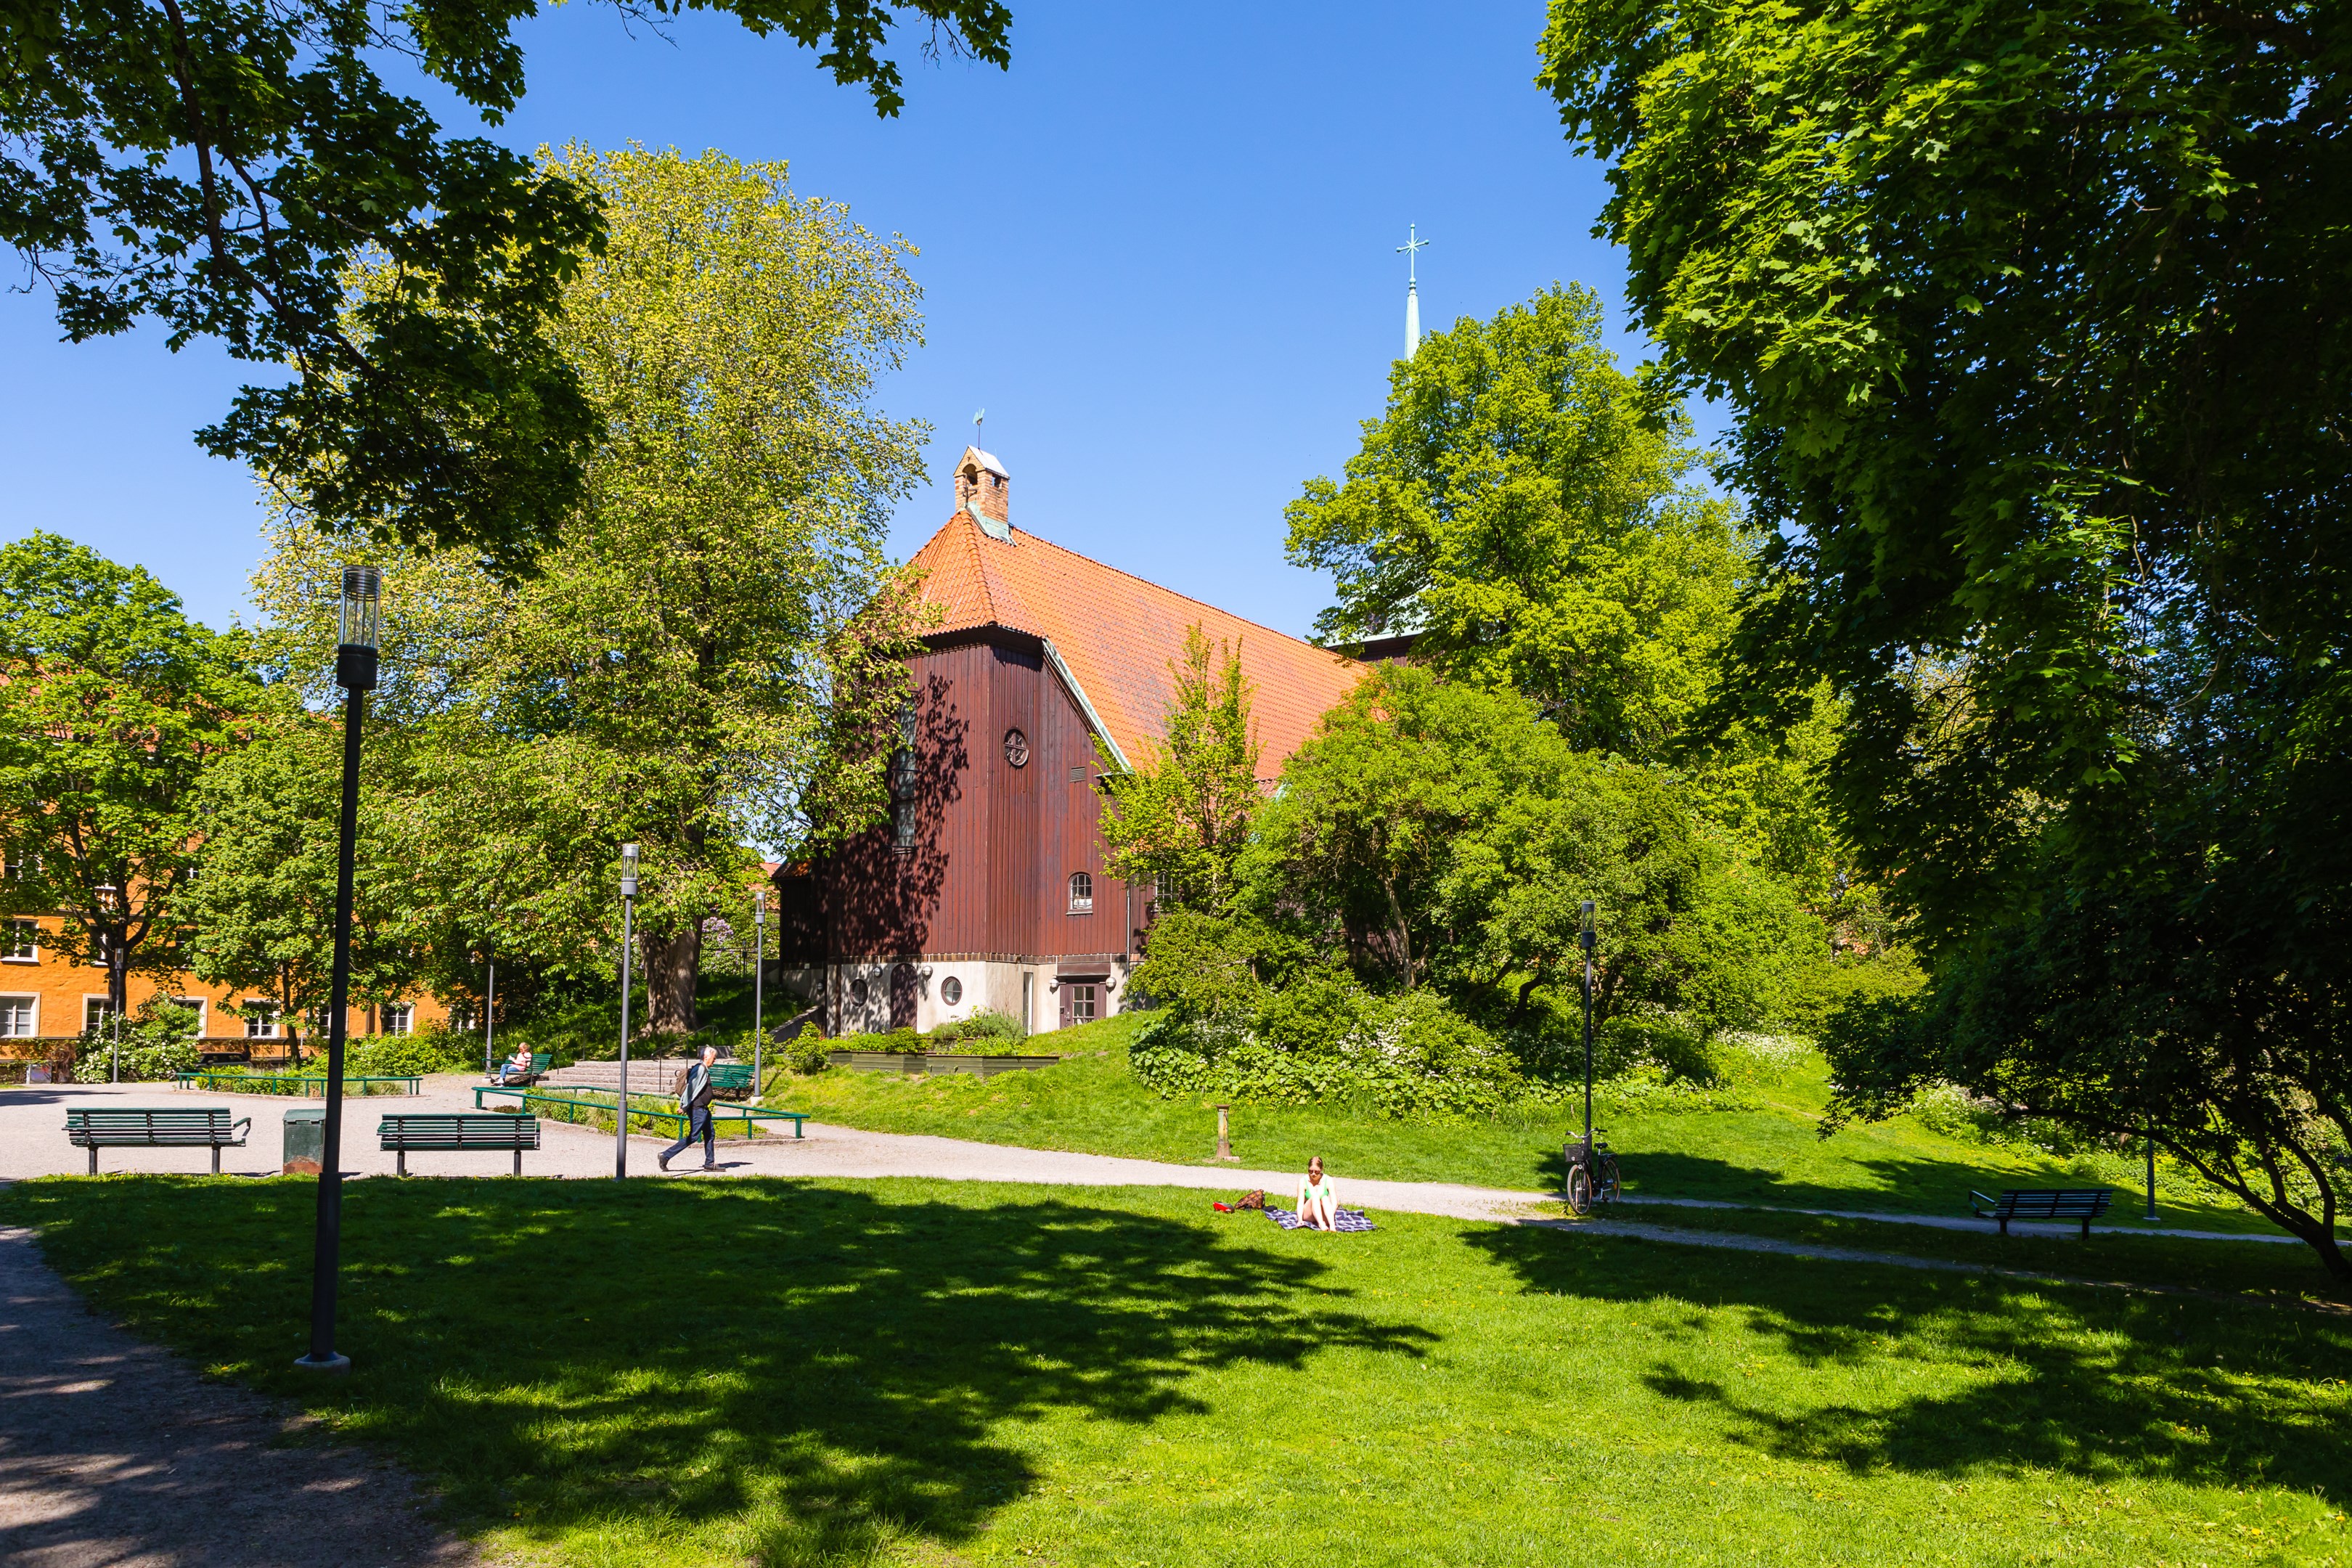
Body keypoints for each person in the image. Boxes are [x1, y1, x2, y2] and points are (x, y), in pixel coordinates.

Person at [658, 1045, 721, 1172]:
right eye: (713, 1058)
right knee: (693, 1136)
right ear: (706, 1057)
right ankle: (666, 1155)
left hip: (703, 1109)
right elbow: (691, 1088)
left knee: (710, 1134)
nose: (714, 1061)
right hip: (697, 1108)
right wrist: (684, 1105)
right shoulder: (700, 1069)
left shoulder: (703, 1069)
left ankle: (709, 1163)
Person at [1296, 1156, 1338, 1230]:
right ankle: (1321, 1224)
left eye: (1317, 1172)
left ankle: (1332, 1225)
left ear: (1322, 1169)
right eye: (1310, 1171)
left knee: (1325, 1198)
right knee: (1315, 1197)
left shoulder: (1328, 1180)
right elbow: (1300, 1202)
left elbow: (1335, 1203)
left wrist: (1331, 1215)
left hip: (1323, 1214)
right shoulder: (1303, 1181)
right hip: (1309, 1214)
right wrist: (1300, 1220)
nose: (1313, 1174)